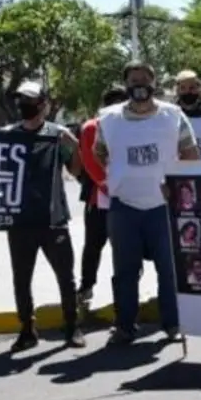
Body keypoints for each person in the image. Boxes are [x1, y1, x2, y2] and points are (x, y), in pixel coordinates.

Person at [94, 60, 200, 346]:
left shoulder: (173, 115)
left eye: (144, 80)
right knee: (125, 271)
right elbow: (99, 152)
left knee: (170, 269)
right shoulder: (108, 118)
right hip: (124, 206)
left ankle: (173, 324)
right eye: (133, 81)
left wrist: (178, 186)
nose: (139, 86)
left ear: (154, 83)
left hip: (163, 206)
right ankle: (125, 326)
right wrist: (119, 178)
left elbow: (191, 154)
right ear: (126, 85)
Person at [4, 81, 86, 351]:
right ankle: (27, 329)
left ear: (43, 105)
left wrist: (74, 147)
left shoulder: (57, 135)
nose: (24, 106)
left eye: (30, 101)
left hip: (53, 220)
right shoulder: (8, 136)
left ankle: (72, 327)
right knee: (21, 278)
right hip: (19, 221)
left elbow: (75, 171)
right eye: (21, 101)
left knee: (66, 276)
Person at [77, 85, 129, 315]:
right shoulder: (91, 127)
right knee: (93, 246)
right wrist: (108, 186)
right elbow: (90, 163)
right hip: (99, 200)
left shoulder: (133, 127)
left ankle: (125, 295)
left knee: (127, 251)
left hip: (128, 199)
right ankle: (86, 287)